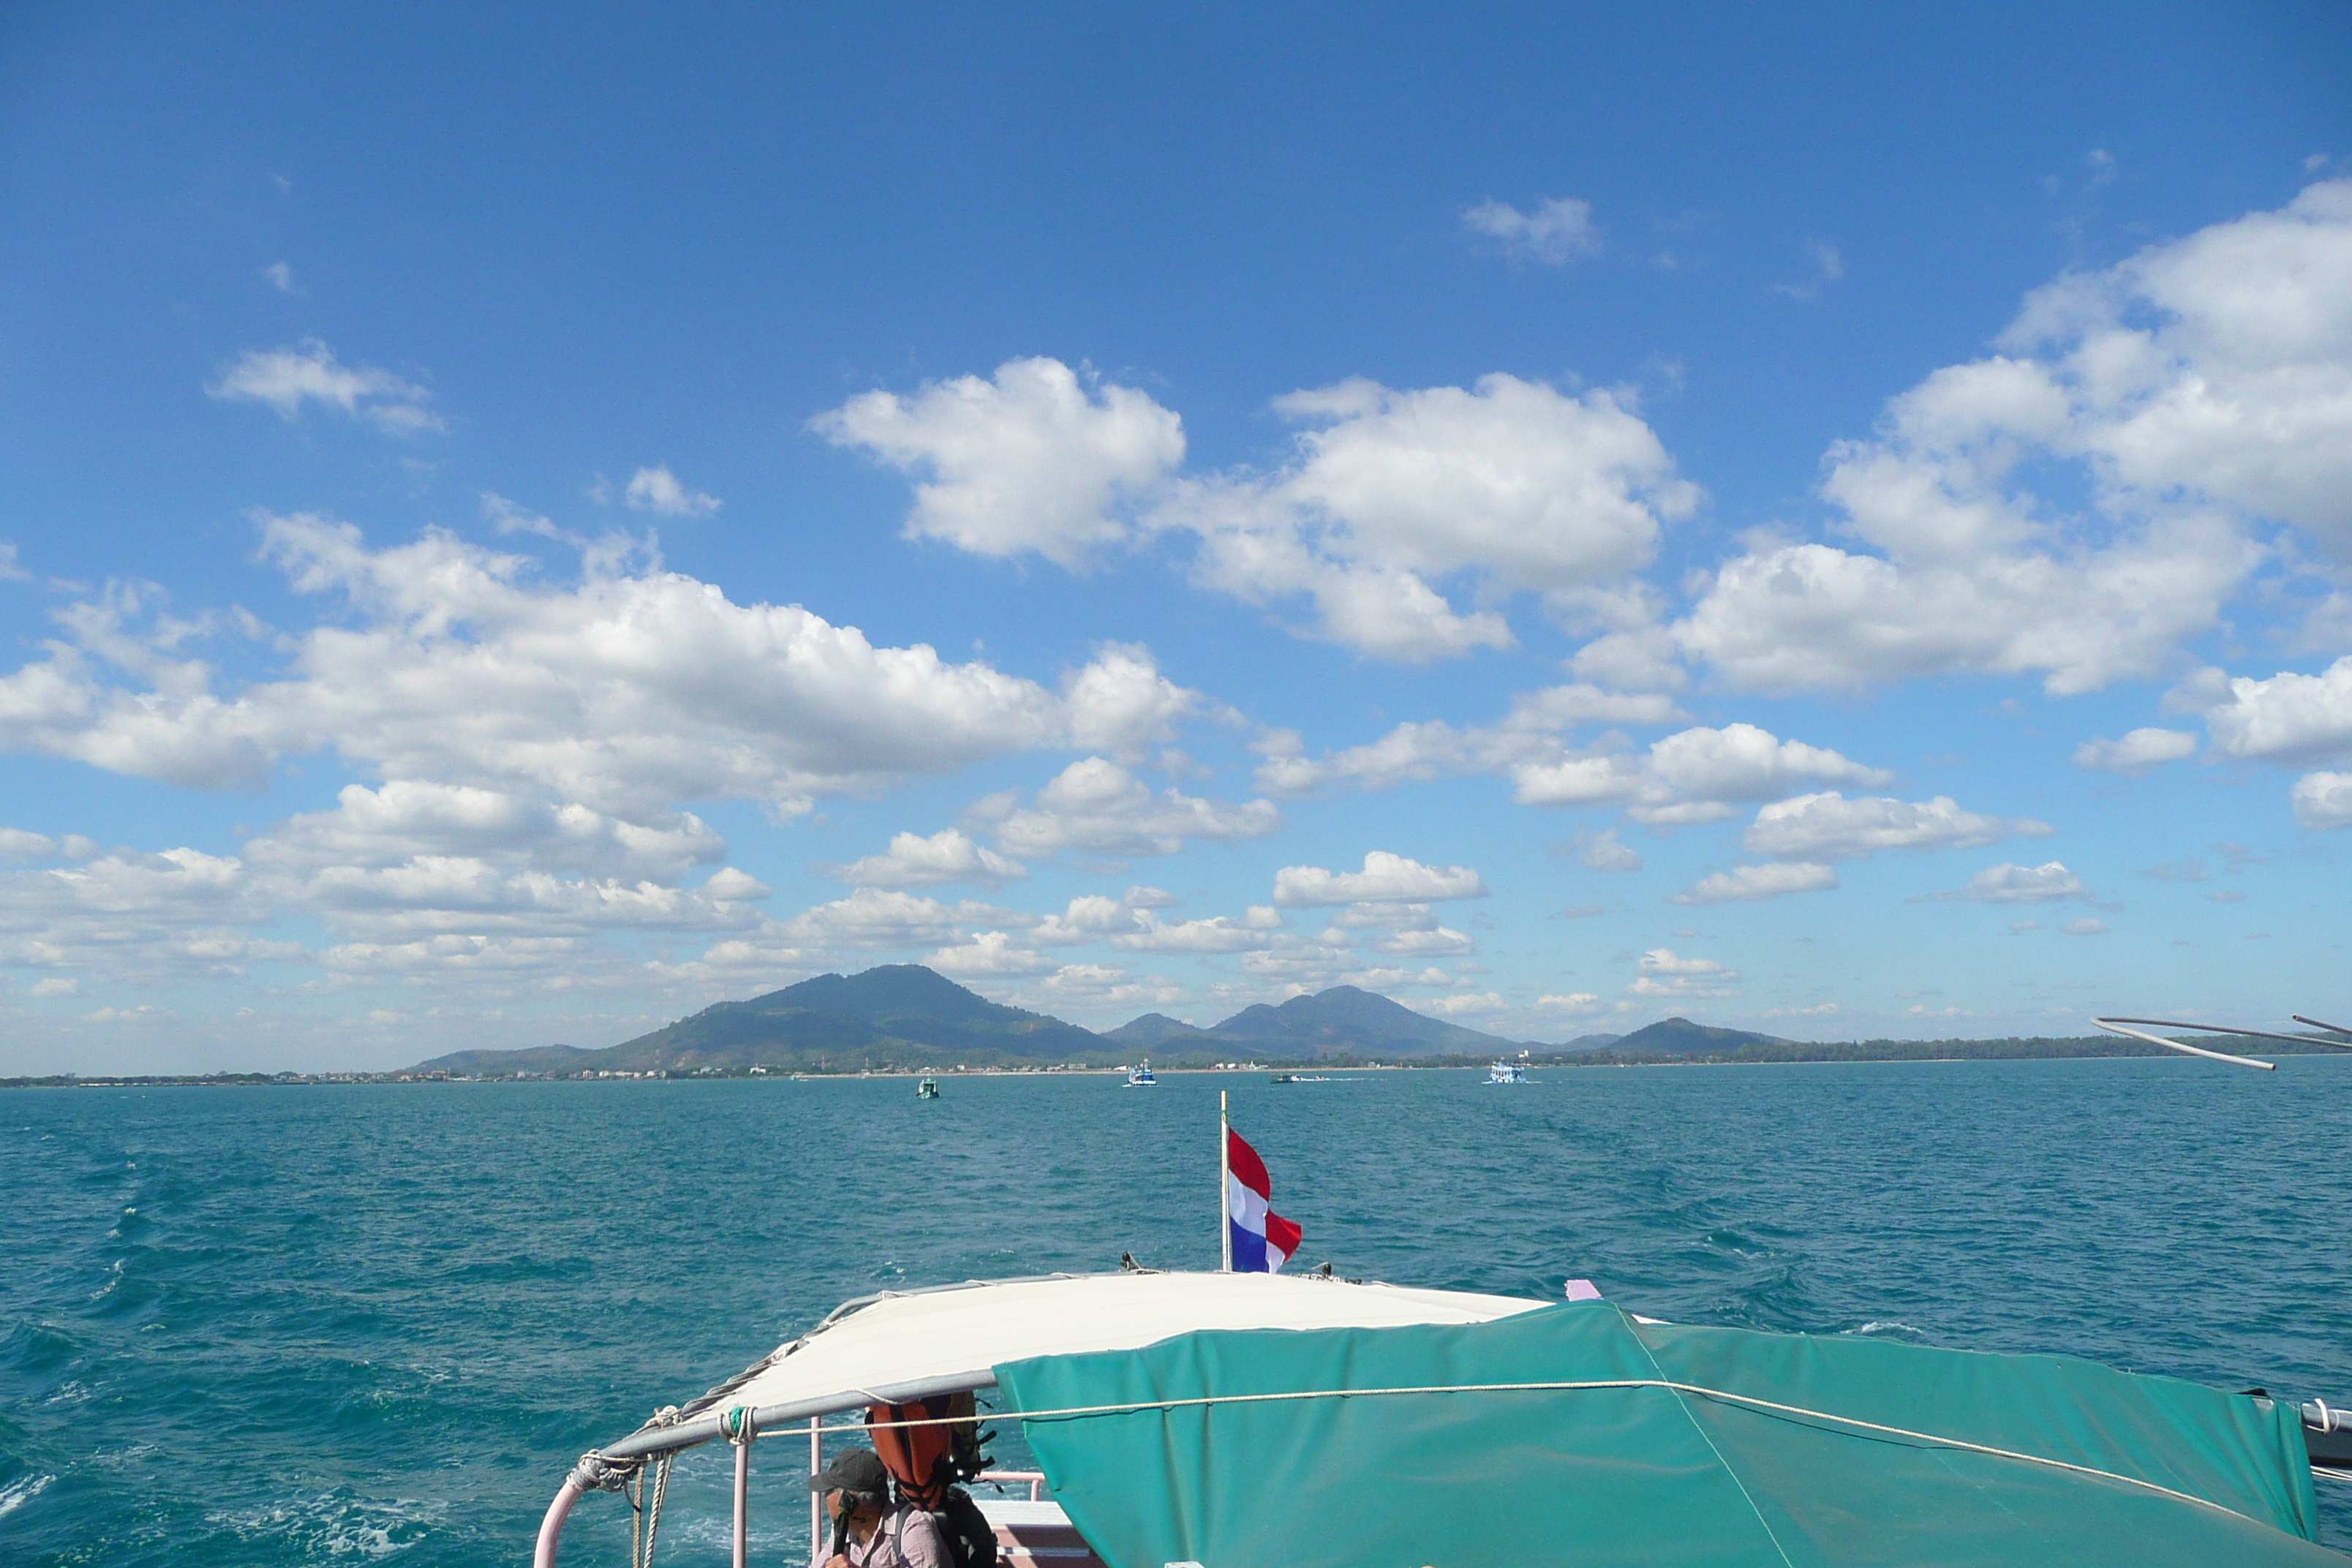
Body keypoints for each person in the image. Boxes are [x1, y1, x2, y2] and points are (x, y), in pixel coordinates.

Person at [810, 1447, 949, 1568]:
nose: (825, 1496)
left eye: (830, 1490)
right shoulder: (843, 1532)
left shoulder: (914, 1528)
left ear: (850, 1501)